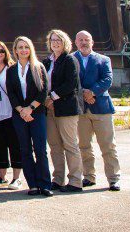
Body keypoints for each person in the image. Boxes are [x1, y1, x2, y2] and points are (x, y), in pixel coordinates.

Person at [73, 30, 120, 191]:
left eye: (87, 39)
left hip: (101, 109)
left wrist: (92, 92)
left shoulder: (103, 59)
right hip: (81, 110)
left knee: (108, 146)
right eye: (81, 40)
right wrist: (84, 94)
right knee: (84, 146)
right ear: (76, 42)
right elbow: (70, 81)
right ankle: (89, 177)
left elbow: (107, 79)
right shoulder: (71, 60)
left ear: (92, 42)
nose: (84, 42)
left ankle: (114, 179)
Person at [6, 36, 52, 196]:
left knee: (40, 150)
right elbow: (10, 93)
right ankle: (32, 184)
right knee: (25, 150)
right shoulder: (11, 70)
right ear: (15, 50)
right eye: (20, 47)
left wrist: (30, 109)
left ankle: (45, 184)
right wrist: (21, 110)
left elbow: (43, 91)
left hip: (37, 114)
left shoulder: (38, 67)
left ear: (30, 49)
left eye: (26, 47)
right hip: (19, 115)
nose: (23, 50)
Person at [45, 29, 84, 192]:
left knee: (70, 144)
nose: (55, 42)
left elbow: (71, 84)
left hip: (66, 108)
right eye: (53, 40)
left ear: (65, 42)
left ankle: (75, 181)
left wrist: (52, 97)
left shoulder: (69, 60)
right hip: (49, 109)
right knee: (54, 146)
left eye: (59, 40)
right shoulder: (47, 62)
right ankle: (58, 179)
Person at [0, 40, 24, 189]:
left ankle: (16, 178)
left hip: (11, 113)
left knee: (14, 146)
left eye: (1, 51)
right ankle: (2, 177)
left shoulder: (12, 69)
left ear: (6, 53)